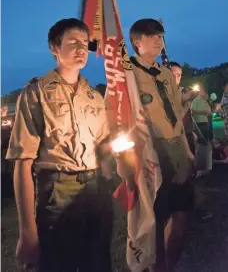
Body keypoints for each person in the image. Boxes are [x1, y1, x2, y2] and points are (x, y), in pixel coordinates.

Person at [6, 18, 114, 272]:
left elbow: (103, 147)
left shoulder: (94, 96)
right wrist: (27, 231)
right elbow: (22, 163)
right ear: (54, 48)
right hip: (57, 192)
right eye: (72, 42)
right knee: (57, 263)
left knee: (98, 263)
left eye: (85, 43)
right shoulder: (36, 93)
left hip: (96, 190)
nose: (81, 48)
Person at [115, 19, 195, 272]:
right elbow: (119, 120)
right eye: (153, 37)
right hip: (152, 152)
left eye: (161, 37)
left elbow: (176, 116)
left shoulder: (166, 75)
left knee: (182, 218)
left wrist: (186, 149)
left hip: (176, 150)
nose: (160, 41)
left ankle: (167, 266)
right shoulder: (128, 75)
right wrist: (125, 163)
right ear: (137, 42)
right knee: (154, 222)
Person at [169, 61, 197, 155]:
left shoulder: (178, 91)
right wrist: (185, 107)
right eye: (174, 74)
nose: (177, 77)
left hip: (187, 131)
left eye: (179, 75)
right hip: (177, 136)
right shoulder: (165, 95)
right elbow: (174, 119)